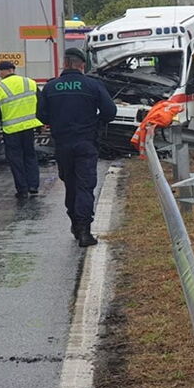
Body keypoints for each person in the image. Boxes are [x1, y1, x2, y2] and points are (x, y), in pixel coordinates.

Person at [37, 47, 116, 247]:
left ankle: (75, 222)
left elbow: (41, 116)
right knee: (85, 185)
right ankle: (84, 230)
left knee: (71, 185)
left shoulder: (51, 87)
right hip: (86, 142)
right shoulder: (92, 85)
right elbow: (110, 111)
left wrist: (57, 121)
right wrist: (96, 122)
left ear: (65, 63)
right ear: (81, 65)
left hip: (62, 144)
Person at [0, 61, 42, 198]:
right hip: (29, 127)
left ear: (1, 72)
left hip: (11, 130)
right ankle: (33, 186)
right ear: (13, 69)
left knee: (15, 160)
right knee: (30, 156)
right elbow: (41, 104)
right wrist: (41, 124)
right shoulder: (30, 82)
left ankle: (22, 189)